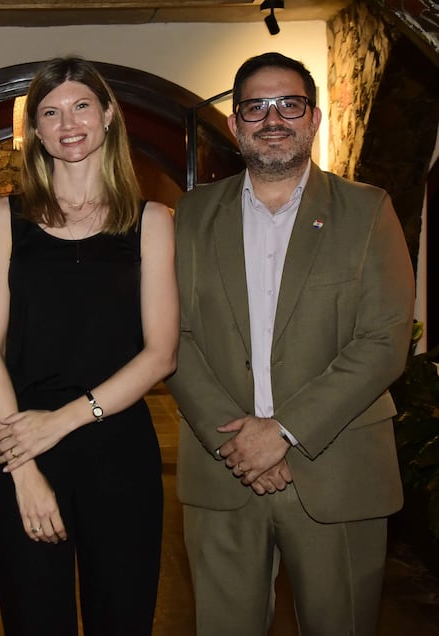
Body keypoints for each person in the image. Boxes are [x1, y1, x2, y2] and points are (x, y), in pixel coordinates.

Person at [165, 51, 415, 635]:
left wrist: (281, 432)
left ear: (315, 117)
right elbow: (170, 334)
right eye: (255, 106)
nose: (272, 117)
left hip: (337, 473)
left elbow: (384, 338)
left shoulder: (367, 210)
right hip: (222, 472)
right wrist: (241, 442)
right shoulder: (191, 215)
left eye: (288, 104)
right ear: (234, 125)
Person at [0, 56, 178, 635]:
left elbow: (161, 354)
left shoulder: (153, 221)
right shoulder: (4, 219)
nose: (69, 122)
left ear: (109, 115)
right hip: (21, 449)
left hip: (120, 454)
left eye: (82, 105)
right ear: (35, 131)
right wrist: (25, 469)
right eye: (51, 111)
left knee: (123, 619)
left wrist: (60, 421)